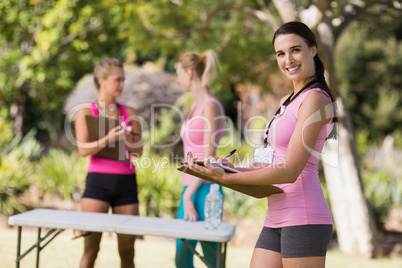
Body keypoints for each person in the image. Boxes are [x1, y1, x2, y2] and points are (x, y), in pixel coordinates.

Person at [186, 21, 336, 268]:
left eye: (295, 50)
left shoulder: (316, 98)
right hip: (276, 215)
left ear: (313, 50)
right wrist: (228, 169)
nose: (288, 59)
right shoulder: (287, 100)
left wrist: (226, 180)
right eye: (281, 53)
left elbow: (289, 171)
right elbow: (273, 164)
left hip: (303, 215)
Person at [74, 58, 143, 268]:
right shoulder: (85, 112)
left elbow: (139, 150)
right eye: (118, 80)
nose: (122, 84)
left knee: (127, 252)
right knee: (90, 250)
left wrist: (126, 139)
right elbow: (82, 150)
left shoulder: (130, 113)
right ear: (102, 81)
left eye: (123, 80)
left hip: (126, 185)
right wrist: (108, 139)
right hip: (97, 184)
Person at [175, 50, 226, 268]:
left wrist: (190, 195)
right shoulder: (195, 106)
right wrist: (187, 193)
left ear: (188, 73)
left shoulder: (210, 106)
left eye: (178, 74)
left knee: (211, 259)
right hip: (190, 189)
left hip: (205, 191)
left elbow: (208, 156)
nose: (177, 79)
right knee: (182, 258)